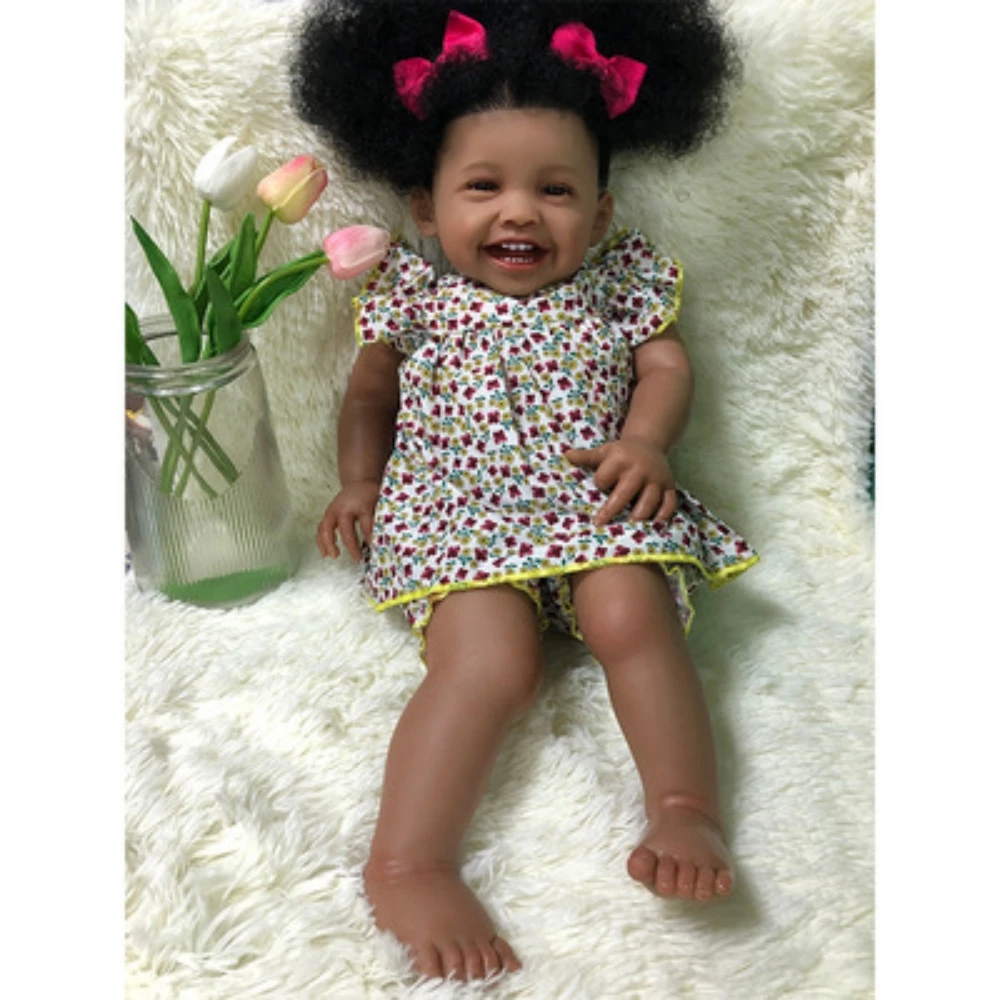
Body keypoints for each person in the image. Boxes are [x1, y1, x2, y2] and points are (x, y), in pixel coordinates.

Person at [292, 0, 757, 981]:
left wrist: (647, 444)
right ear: (426, 207)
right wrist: (358, 481)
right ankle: (409, 860)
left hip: (595, 499)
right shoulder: (413, 292)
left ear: (601, 213)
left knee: (634, 614)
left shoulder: (619, 281)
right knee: (489, 663)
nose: (519, 212)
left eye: (555, 190)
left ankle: (685, 807)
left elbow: (665, 366)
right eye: (483, 185)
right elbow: (369, 392)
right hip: (460, 513)